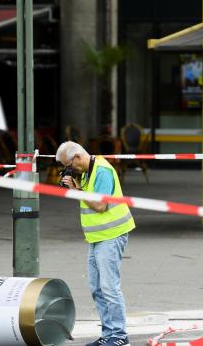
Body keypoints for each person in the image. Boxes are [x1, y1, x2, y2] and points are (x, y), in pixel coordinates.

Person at [56, 141, 135, 346]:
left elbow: (100, 205)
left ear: (77, 157)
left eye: (69, 166)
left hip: (111, 234)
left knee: (109, 287)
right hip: (97, 237)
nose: (69, 170)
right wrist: (77, 186)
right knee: (97, 288)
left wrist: (76, 190)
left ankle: (119, 335)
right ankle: (109, 334)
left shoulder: (102, 171)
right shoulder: (86, 171)